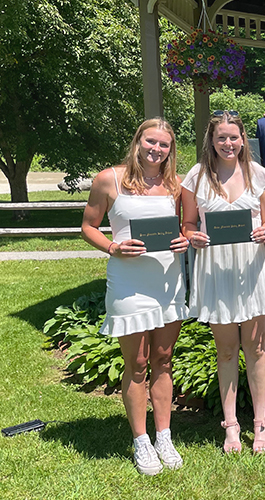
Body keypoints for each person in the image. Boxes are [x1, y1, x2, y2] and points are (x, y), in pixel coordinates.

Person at [81, 118, 190, 475]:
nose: (156, 150)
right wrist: (113, 246)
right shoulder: (109, 179)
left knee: (163, 359)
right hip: (129, 282)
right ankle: (141, 440)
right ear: (138, 141)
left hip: (167, 281)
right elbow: (88, 226)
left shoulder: (175, 184)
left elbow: (188, 226)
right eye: (151, 142)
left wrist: (185, 239)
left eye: (164, 145)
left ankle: (164, 435)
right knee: (138, 363)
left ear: (170, 149)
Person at [181, 110, 265, 454]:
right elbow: (188, 224)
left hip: (254, 270)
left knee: (255, 350)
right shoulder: (196, 177)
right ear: (211, 140)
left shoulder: (259, 175)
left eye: (234, 137)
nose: (228, 143)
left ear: (243, 140)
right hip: (216, 272)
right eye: (221, 137)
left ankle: (260, 424)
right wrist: (193, 237)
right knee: (225, 351)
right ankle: (231, 427)